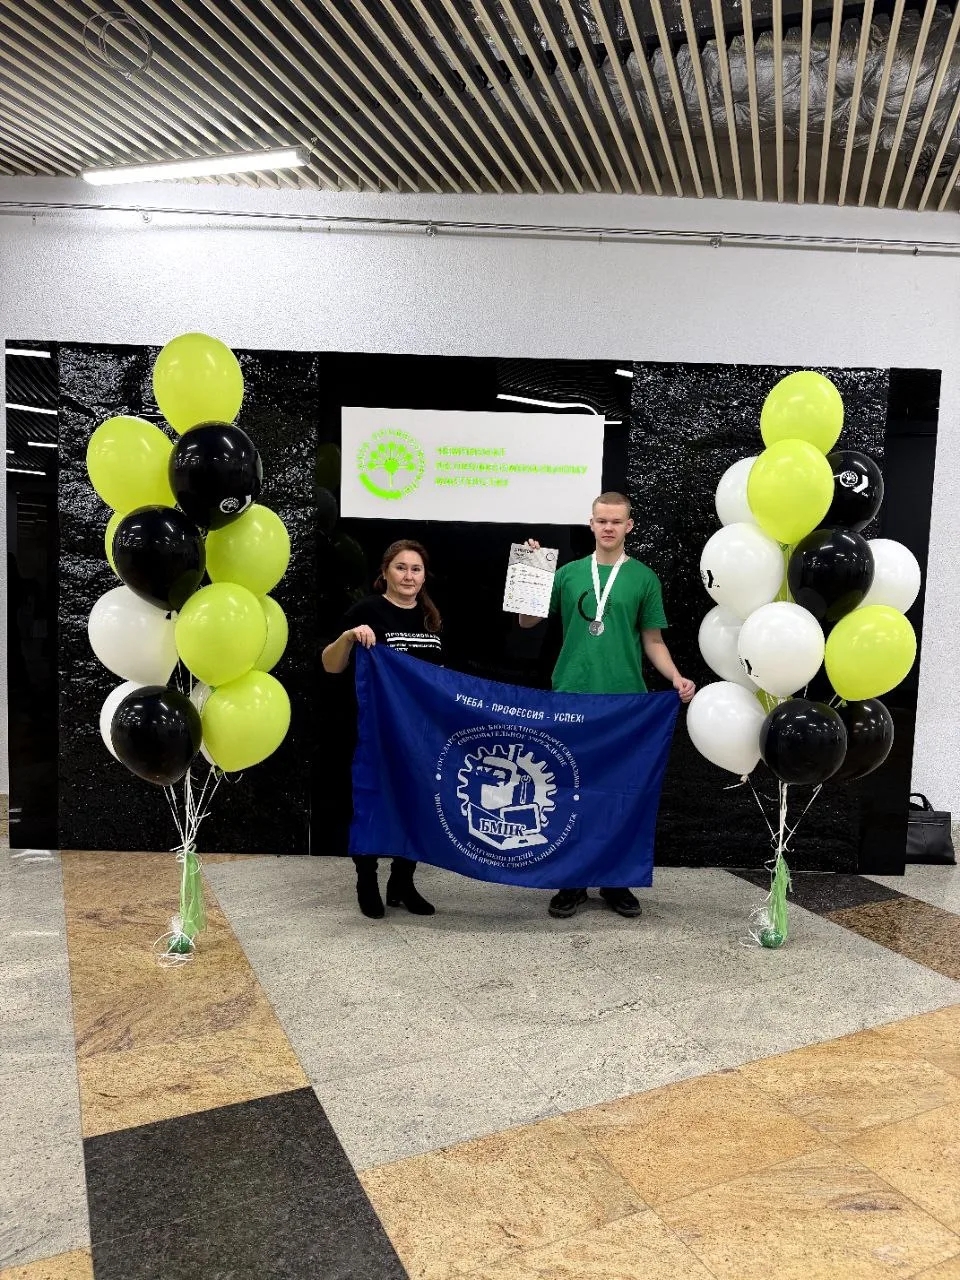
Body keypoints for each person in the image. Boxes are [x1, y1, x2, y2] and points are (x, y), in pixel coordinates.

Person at [520, 492, 695, 920]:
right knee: (568, 790)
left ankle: (616, 881)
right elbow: (527, 621)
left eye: (616, 521)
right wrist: (532, 571)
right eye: (602, 521)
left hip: (624, 703)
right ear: (591, 523)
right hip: (570, 695)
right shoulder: (567, 574)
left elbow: (653, 639)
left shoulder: (643, 578)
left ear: (629, 525)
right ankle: (572, 881)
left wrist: (675, 677)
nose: (609, 527)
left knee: (619, 794)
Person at [322, 539, 443, 920]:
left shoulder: (432, 618)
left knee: (416, 803)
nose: (409, 576)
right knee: (374, 803)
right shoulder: (367, 611)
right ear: (385, 572)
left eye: (416, 569)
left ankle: (402, 883)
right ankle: (367, 881)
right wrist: (348, 637)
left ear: (424, 576)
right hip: (374, 731)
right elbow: (330, 665)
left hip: (420, 733)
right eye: (401, 567)